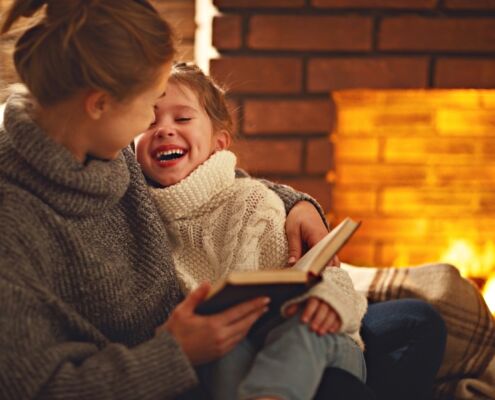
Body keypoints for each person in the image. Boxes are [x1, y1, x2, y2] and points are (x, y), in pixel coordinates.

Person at [0, 1, 336, 399]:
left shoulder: (95, 140)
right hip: (162, 376)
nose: (151, 125)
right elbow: (37, 387)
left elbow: (196, 184)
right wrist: (173, 353)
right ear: (100, 102)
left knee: (409, 322)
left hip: (199, 347)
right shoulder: (14, 222)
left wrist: (294, 204)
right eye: (150, 105)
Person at [133, 62, 368, 400]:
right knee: (222, 350)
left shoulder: (253, 201)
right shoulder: (138, 214)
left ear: (219, 142)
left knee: (301, 329)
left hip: (319, 342)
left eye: (182, 119)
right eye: (149, 121)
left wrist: (329, 301)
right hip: (234, 347)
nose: (164, 130)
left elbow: (322, 270)